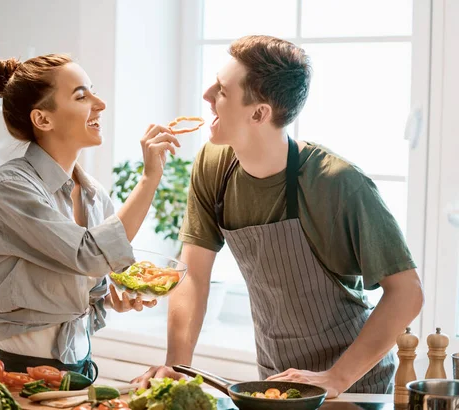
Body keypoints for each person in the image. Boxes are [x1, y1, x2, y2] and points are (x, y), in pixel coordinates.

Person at [134, 35, 424, 396]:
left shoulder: (338, 184)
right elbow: (193, 274)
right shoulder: (213, 166)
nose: (207, 95)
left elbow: (407, 292)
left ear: (259, 113)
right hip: (274, 385)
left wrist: (336, 378)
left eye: (222, 91)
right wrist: (177, 368)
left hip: (354, 388)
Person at [0, 54, 180, 379]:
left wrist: (113, 300)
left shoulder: (93, 194)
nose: (99, 104)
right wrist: (148, 179)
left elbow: (85, 287)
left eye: (93, 92)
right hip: (21, 371)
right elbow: (86, 254)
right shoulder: (11, 186)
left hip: (81, 365)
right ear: (43, 120)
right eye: (81, 96)